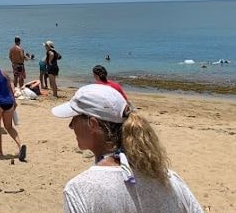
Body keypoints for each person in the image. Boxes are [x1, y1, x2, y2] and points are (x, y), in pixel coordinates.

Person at [52, 84, 203, 213]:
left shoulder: (79, 190)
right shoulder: (170, 179)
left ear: (93, 124)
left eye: (75, 119)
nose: (70, 125)